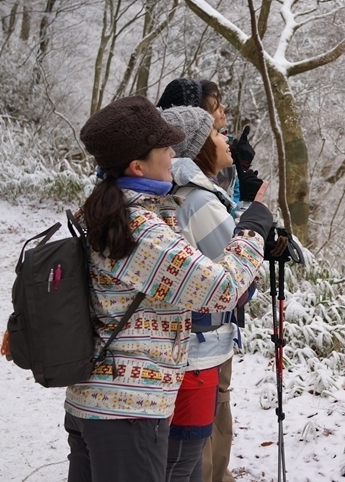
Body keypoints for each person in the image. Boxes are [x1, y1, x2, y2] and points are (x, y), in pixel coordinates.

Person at [64, 95, 273, 482]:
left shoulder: (107, 210)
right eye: (165, 147)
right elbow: (222, 288)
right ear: (136, 164)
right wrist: (253, 228)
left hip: (95, 401)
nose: (173, 154)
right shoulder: (138, 229)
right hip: (128, 413)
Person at [157, 78, 263, 482]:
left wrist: (238, 175)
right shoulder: (192, 197)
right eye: (215, 116)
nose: (224, 121)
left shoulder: (181, 188)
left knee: (212, 414)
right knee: (190, 444)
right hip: (196, 343)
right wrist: (254, 231)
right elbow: (228, 277)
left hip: (198, 341)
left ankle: (216, 473)